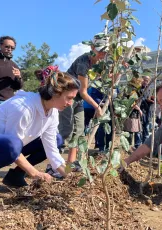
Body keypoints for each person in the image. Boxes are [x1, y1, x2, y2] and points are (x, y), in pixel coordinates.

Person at [0, 70, 79, 203]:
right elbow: (12, 146)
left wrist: (71, 175)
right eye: (69, 98)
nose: (71, 103)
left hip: (10, 147)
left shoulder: (52, 113)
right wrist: (35, 173)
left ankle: (16, 176)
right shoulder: (24, 107)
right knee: (13, 143)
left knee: (57, 139)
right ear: (56, 93)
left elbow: (53, 152)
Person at [56, 33, 108, 173]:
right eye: (100, 50)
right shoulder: (83, 63)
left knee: (79, 132)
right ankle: (55, 165)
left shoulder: (98, 63)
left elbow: (107, 78)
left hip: (77, 99)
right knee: (66, 130)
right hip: (66, 97)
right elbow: (84, 91)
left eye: (105, 51)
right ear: (92, 48)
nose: (103, 54)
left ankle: (70, 165)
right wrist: (97, 106)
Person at [140, 75, 154, 143]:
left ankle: (145, 143)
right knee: (142, 127)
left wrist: (152, 99)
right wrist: (146, 100)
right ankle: (141, 144)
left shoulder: (149, 89)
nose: (145, 82)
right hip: (141, 110)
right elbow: (140, 99)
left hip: (148, 110)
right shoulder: (140, 89)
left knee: (146, 127)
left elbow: (150, 98)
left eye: (147, 81)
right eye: (144, 80)